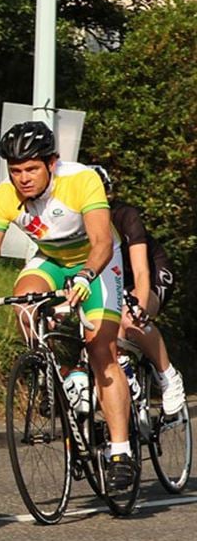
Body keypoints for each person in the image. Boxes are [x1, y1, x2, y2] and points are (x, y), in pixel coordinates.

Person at [0, 121, 135, 490]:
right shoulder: (3, 196)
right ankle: (68, 377)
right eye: (15, 170)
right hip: (52, 259)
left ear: (52, 163)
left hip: (97, 260)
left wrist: (85, 276)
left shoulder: (81, 181)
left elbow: (102, 240)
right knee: (25, 305)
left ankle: (121, 451)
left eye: (31, 169)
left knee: (102, 349)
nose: (22, 178)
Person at [90, 165, 186, 415]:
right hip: (114, 278)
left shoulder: (125, 216)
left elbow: (142, 271)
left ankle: (168, 375)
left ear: (108, 195)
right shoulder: (77, 226)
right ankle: (123, 369)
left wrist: (139, 306)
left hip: (149, 273)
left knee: (131, 319)